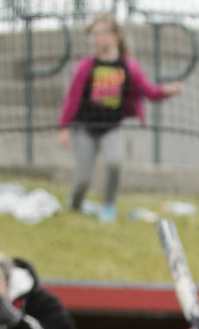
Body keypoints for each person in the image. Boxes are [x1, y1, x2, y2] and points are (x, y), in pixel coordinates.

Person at [55, 13, 183, 224]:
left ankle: (108, 205)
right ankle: (75, 204)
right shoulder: (87, 66)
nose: (97, 39)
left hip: (110, 127)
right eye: (94, 34)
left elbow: (148, 91)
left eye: (102, 33)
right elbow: (72, 98)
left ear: (116, 36)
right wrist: (64, 128)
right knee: (83, 178)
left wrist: (168, 90)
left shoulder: (128, 67)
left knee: (114, 163)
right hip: (85, 127)